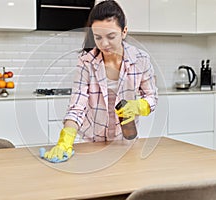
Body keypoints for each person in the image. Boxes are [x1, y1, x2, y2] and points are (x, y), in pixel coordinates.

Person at [43, 0, 158, 162]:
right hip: (92, 142)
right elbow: (77, 106)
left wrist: (139, 106)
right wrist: (65, 140)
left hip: (125, 142)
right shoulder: (86, 61)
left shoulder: (141, 59)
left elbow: (152, 97)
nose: (104, 44)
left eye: (111, 36)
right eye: (98, 37)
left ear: (124, 31)